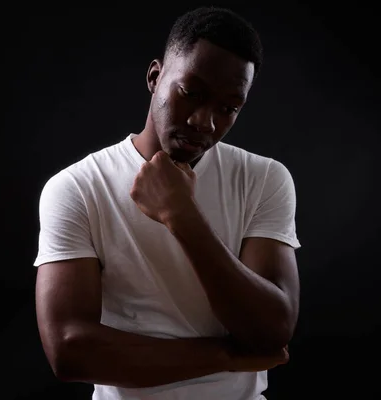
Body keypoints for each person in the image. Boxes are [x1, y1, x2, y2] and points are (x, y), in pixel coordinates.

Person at [33, 6, 301, 400]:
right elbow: (69, 350)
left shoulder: (263, 179)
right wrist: (226, 355)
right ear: (155, 77)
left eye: (229, 108)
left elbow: (272, 330)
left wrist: (183, 217)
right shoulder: (77, 187)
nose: (205, 122)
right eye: (191, 93)